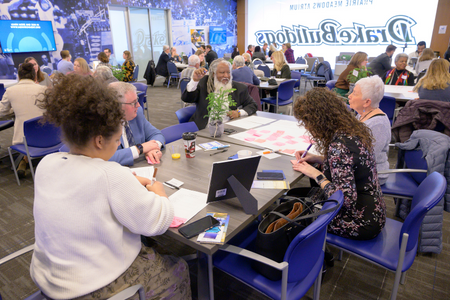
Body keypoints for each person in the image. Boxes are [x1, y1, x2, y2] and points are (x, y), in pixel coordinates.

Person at [31, 74, 191, 299]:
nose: (118, 144)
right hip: (89, 288)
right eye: (117, 140)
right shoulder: (110, 175)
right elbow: (158, 222)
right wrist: (158, 191)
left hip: (49, 278)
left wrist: (124, 181)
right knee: (178, 268)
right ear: (99, 141)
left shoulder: (46, 164)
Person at [292, 88, 386, 240]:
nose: (308, 128)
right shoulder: (352, 129)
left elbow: (344, 200)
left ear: (320, 121)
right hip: (373, 210)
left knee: (297, 218)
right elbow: (350, 165)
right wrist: (318, 158)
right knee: (302, 200)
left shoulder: (339, 146)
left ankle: (308, 255)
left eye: (307, 123)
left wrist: (316, 174)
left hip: (359, 221)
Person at [182, 58, 258, 130]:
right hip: (204, 128)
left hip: (228, 129)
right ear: (213, 74)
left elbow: (253, 105)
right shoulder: (204, 83)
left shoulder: (239, 88)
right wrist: (195, 81)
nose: (226, 76)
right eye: (222, 72)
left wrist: (238, 113)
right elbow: (187, 99)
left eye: (228, 72)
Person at [0, 62, 47, 178]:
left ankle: (23, 161)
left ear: (19, 76)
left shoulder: (10, 91)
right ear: (34, 76)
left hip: (24, 140)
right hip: (48, 137)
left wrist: (14, 110)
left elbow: (2, 112)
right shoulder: (44, 90)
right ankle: (25, 161)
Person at [109, 82, 165, 166]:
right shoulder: (103, 124)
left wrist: (153, 149)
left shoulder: (137, 113)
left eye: (137, 100)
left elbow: (156, 134)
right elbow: (105, 158)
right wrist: (140, 149)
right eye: (133, 102)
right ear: (117, 106)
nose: (138, 105)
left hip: (141, 168)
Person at [348, 76, 391, 185]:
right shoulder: (362, 115)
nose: (349, 96)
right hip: (359, 168)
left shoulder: (377, 124)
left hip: (373, 174)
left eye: (354, 93)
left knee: (324, 172)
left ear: (367, 102)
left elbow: (365, 159)